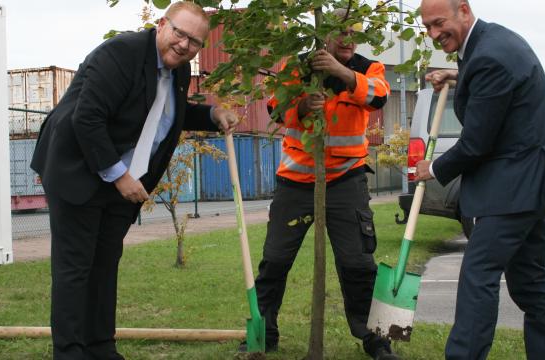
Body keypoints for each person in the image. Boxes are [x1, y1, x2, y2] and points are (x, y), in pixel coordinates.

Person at [30, 2, 238, 359]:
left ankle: (100, 347)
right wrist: (120, 176)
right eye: (179, 33)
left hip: (119, 179)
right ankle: (69, 352)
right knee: (75, 268)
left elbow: (168, 111)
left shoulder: (177, 71)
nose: (185, 45)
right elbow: (88, 119)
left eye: (195, 42)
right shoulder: (121, 53)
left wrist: (212, 112)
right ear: (162, 24)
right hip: (77, 168)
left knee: (105, 263)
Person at [416, 0, 545, 359]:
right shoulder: (492, 42)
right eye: (427, 27)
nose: (433, 34)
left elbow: (475, 143)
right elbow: (498, 79)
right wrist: (455, 75)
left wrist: (435, 168)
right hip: (536, 178)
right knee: (530, 281)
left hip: (516, 184)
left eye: (438, 23)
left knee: (478, 274)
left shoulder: (490, 55)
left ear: (464, 10)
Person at [241, 8, 398, 360]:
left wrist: (340, 71)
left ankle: (374, 338)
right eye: (339, 31)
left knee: (358, 263)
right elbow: (276, 109)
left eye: (353, 31)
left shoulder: (367, 66)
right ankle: (263, 335)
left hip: (346, 179)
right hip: (296, 181)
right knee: (275, 261)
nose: (348, 38)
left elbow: (379, 96)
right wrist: (302, 105)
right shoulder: (298, 67)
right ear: (323, 32)